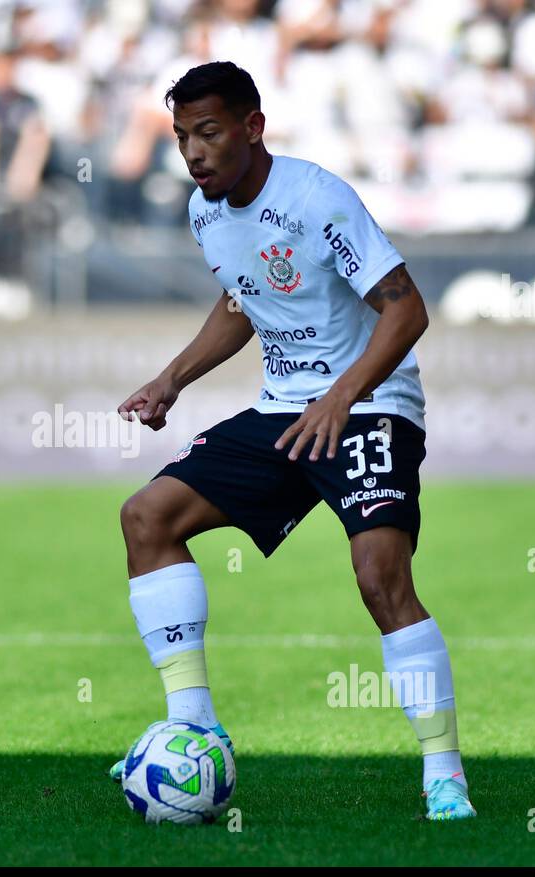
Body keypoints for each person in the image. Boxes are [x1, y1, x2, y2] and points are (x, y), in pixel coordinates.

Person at [112, 60, 476, 822]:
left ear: (252, 127)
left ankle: (444, 775)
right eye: (182, 137)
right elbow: (242, 304)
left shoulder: (317, 200)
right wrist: (172, 378)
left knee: (381, 580)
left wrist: (344, 394)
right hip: (285, 411)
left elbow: (406, 313)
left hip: (372, 407)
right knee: (147, 519)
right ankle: (194, 727)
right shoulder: (205, 211)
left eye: (209, 133)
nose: (195, 153)